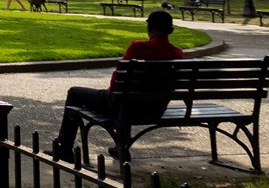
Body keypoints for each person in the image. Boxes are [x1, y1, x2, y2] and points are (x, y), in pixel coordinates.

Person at [52, 10, 185, 161]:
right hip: (155, 109)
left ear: (150, 28)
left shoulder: (138, 47)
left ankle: (64, 149)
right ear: (170, 30)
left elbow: (116, 82)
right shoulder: (177, 54)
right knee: (130, 97)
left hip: (123, 107)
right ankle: (121, 147)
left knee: (75, 93)